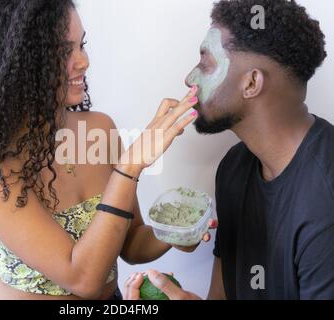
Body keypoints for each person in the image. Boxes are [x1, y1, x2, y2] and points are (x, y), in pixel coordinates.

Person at [0, 0, 214, 300]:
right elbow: (83, 277)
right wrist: (130, 167)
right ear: (19, 63)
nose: (84, 61)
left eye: (82, 45)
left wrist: (174, 233)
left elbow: (128, 243)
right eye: (64, 52)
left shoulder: (99, 129)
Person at [125, 0, 334, 300]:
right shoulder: (234, 168)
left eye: (205, 63)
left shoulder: (325, 199)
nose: (189, 79)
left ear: (251, 83)